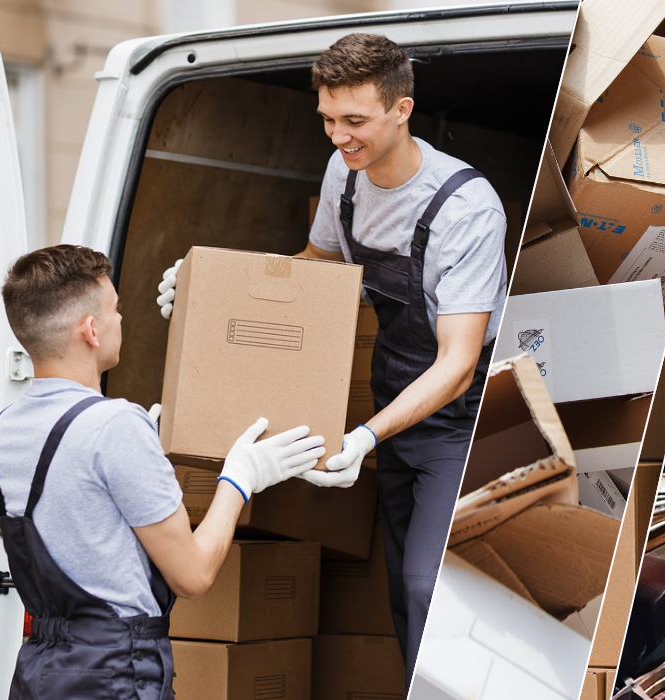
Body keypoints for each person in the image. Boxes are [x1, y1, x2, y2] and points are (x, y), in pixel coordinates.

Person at [157, 32, 507, 687]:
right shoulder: (343, 172)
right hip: (393, 400)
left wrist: (365, 437)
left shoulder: (466, 209)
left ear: (402, 110)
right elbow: (315, 267)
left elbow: (458, 362)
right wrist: (206, 289)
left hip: (463, 419)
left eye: (355, 121)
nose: (338, 136)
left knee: (429, 587)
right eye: (326, 118)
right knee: (404, 595)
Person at [0, 245, 325, 700]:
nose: (120, 320)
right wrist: (240, 480)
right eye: (115, 310)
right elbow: (194, 575)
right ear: (90, 330)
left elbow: (84, 524)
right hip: (114, 675)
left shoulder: (4, 428)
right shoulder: (116, 427)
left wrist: (142, 455)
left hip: (41, 674)